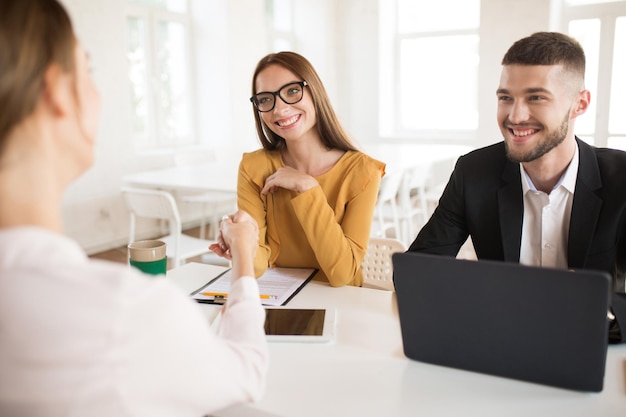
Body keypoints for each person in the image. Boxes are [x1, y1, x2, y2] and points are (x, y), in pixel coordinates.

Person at [0, 1, 267, 415]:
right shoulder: (123, 315)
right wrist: (244, 260)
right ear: (55, 91)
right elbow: (245, 374)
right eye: (87, 67)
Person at [408, 31, 626, 343]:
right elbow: (414, 275)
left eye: (536, 97)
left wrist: (592, 302)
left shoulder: (622, 179)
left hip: (592, 348)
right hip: (500, 344)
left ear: (579, 104)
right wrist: (486, 290)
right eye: (505, 97)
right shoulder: (473, 173)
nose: (514, 115)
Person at [233, 51, 385, 287]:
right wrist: (239, 243)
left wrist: (307, 187)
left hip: (340, 306)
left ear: (315, 91)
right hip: (279, 303)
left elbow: (342, 274)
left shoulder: (362, 172)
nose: (279, 109)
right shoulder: (254, 168)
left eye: (292, 91)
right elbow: (257, 265)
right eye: (265, 99)